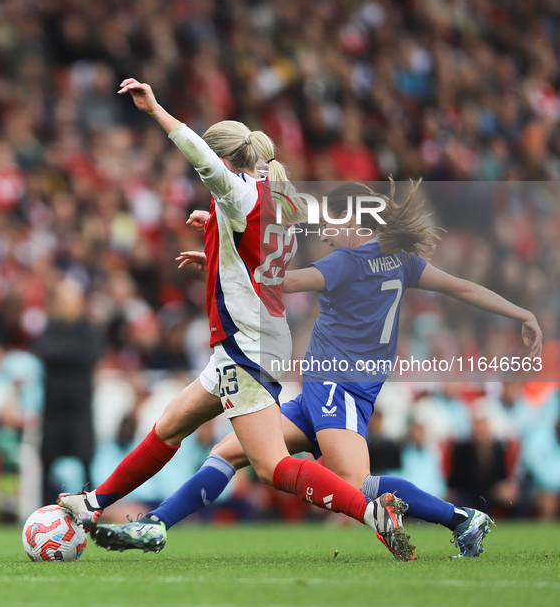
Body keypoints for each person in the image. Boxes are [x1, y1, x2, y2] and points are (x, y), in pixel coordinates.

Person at [59, 79, 417, 562]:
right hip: (260, 337)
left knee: (270, 467)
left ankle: (369, 511)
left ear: (227, 160)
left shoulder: (239, 192)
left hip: (244, 344)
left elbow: (198, 155)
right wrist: (216, 243)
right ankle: (94, 503)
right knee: (170, 426)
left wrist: (156, 109)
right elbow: (258, 257)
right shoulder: (281, 197)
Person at [87, 179, 542, 558]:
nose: (325, 231)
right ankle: (156, 524)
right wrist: (521, 312)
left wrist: (225, 252)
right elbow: (463, 288)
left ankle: (462, 518)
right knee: (228, 453)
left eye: (331, 221)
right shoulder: (402, 260)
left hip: (337, 388)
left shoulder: (345, 261)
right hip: (329, 391)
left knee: (354, 485)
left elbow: (281, 282)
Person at [31, 279, 104, 504]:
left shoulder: (88, 329)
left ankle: (91, 508)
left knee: (85, 460)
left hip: (79, 407)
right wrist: (67, 354)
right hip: (54, 408)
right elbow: (43, 352)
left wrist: (60, 353)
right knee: (47, 461)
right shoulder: (50, 328)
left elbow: (89, 354)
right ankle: (42, 510)